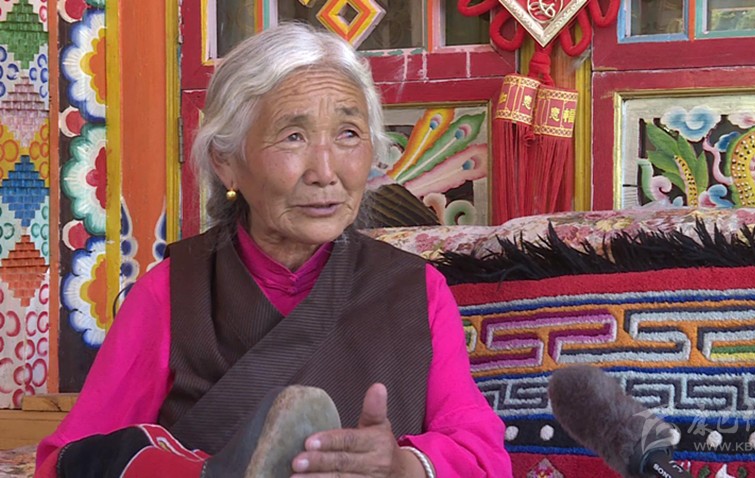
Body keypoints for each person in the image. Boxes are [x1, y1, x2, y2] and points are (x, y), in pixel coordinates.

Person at [36, 21, 511, 477]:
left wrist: (404, 466)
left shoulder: (415, 291)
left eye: (348, 134)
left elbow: (484, 458)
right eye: (293, 136)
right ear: (226, 162)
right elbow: (66, 463)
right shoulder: (171, 295)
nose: (325, 172)